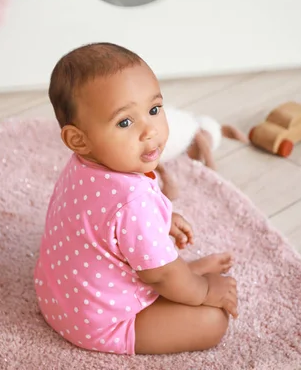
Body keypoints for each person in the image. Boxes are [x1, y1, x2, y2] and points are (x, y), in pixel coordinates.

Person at [33, 42, 238, 355]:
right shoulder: (132, 201)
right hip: (102, 322)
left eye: (154, 110)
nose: (149, 131)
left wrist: (163, 216)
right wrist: (207, 290)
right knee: (213, 320)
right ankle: (193, 279)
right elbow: (160, 274)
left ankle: (188, 275)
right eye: (124, 122)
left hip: (56, 296)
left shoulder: (83, 164)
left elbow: (108, 223)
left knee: (167, 272)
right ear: (78, 139)